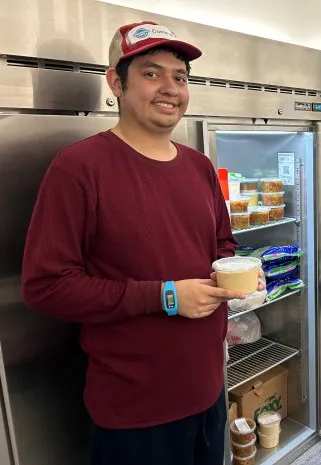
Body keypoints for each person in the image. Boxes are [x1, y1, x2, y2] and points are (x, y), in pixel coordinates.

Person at [21, 20, 261, 465]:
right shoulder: (79, 168)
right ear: (116, 81)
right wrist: (166, 296)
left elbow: (221, 245)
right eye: (151, 73)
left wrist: (233, 274)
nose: (170, 88)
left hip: (208, 389)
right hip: (135, 411)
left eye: (181, 77)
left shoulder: (198, 166)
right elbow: (46, 286)